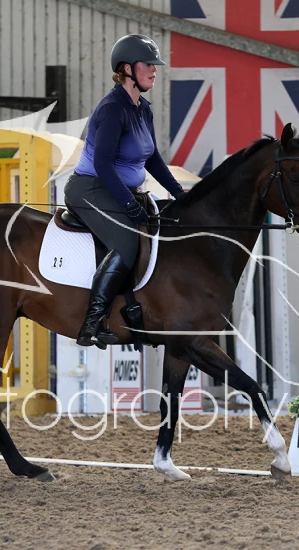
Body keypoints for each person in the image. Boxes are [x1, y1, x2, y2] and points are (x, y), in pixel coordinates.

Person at [64, 34, 186, 348]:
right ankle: (91, 323)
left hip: (121, 189)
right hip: (91, 188)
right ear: (127, 69)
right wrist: (128, 204)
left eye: (155, 66)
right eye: (148, 65)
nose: (155, 70)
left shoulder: (143, 109)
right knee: (127, 244)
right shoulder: (112, 109)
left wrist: (180, 194)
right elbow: (103, 164)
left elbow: (153, 158)